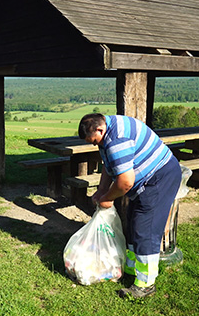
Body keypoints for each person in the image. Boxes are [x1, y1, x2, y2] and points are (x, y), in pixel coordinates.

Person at [78, 113, 182, 299]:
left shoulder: (117, 139)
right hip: (151, 177)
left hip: (159, 177)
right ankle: (132, 269)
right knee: (135, 221)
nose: (95, 145)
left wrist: (108, 198)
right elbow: (110, 165)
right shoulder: (108, 130)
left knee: (145, 228)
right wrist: (102, 191)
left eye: (94, 141)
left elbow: (125, 182)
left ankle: (145, 284)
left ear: (99, 129)